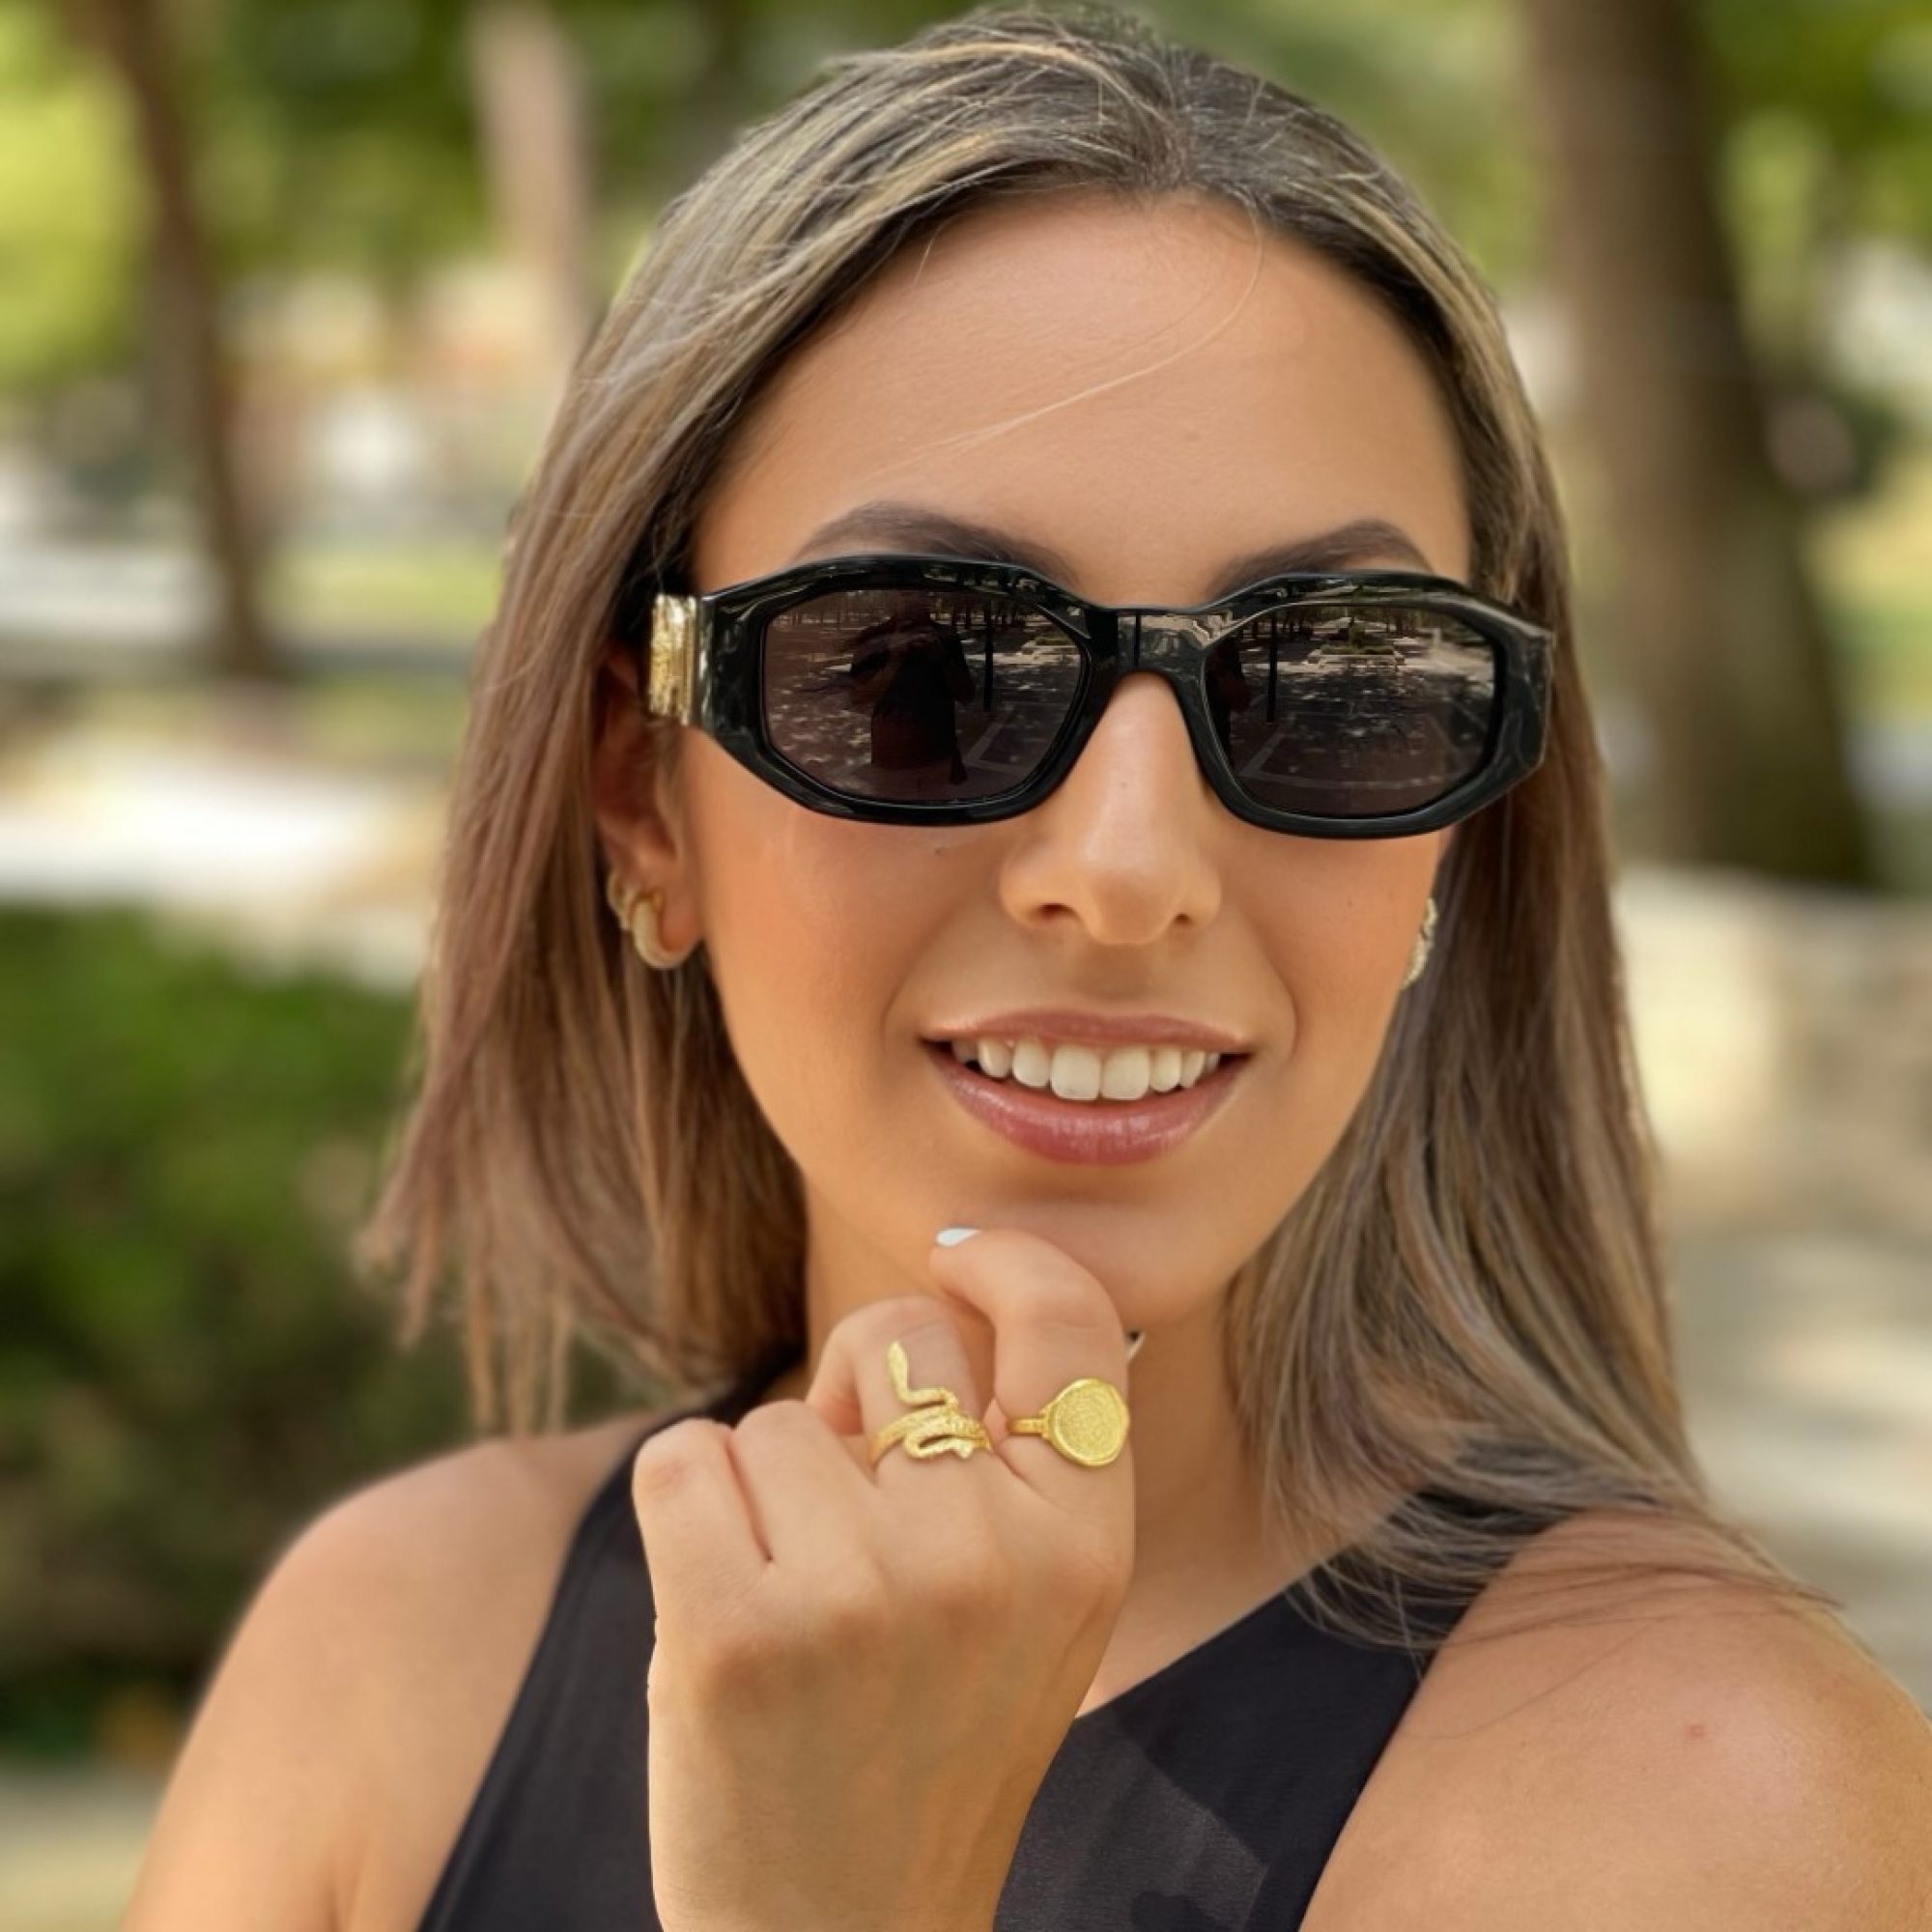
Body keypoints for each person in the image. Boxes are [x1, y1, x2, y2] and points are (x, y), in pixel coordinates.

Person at [125, 8, 1932, 1930]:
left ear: (1450, 837)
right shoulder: (387, 1658)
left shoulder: (1725, 1812)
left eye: (1332, 689)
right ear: (641, 791)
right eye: (919, 672)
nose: (1129, 871)